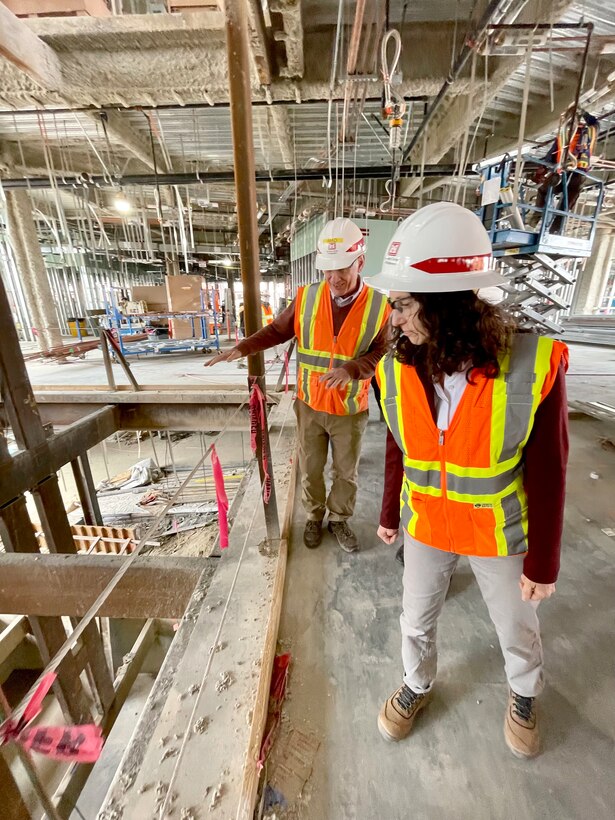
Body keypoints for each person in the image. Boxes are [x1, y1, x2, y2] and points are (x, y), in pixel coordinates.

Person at [367, 202, 568, 759]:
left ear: (445, 303)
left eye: (404, 305)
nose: (396, 320)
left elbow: (550, 467)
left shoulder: (531, 363)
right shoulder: (398, 365)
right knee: (415, 617)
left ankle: (525, 695)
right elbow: (397, 442)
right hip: (427, 523)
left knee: (516, 626)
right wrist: (389, 512)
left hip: (499, 531)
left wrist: (543, 561)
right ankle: (416, 683)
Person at [206, 218, 390, 552]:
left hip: (349, 408)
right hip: (309, 405)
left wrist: (352, 369)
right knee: (310, 468)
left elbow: (382, 352)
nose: (334, 279)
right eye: (327, 271)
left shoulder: (380, 306)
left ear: (360, 261)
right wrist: (243, 347)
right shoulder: (306, 297)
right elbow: (277, 330)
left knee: (346, 472)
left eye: (342, 270)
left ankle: (339, 519)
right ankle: (313, 516)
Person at [530, 106, 599, 233]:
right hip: (562, 171)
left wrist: (583, 113)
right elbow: (553, 152)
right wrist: (544, 167)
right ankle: (537, 219)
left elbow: (594, 123)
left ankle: (554, 230)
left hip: (577, 173)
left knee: (565, 204)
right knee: (544, 191)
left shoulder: (588, 132)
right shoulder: (564, 135)